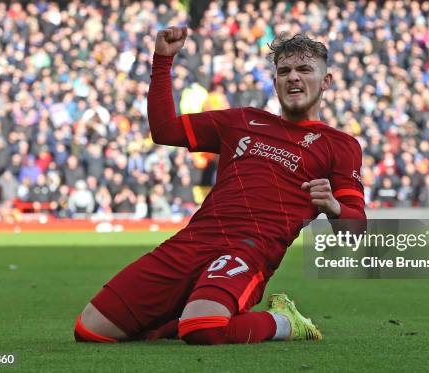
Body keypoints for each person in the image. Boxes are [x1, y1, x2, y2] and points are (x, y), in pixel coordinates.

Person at [74, 27, 365, 345]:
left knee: (204, 328)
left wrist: (334, 208)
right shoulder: (241, 121)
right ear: (275, 81)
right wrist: (163, 62)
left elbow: (354, 232)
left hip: (247, 251)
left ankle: (284, 322)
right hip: (192, 240)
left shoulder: (340, 145)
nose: (293, 77)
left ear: (326, 82)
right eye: (284, 71)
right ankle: (174, 323)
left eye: (304, 70)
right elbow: (164, 130)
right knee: (91, 330)